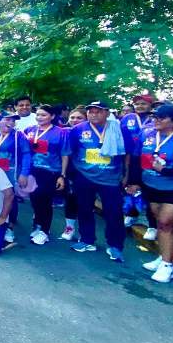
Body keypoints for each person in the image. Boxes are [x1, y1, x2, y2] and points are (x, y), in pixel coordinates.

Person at [127, 104, 173, 283]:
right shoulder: (146, 135)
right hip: (152, 187)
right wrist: (134, 182)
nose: (156, 120)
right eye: (155, 117)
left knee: (165, 223)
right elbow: (136, 159)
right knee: (158, 222)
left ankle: (168, 266)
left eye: (161, 118)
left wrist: (167, 169)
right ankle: (163, 258)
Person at [68, 101, 131, 261]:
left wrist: (127, 174)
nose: (94, 114)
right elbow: (71, 152)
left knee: (114, 212)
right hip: (84, 176)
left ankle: (115, 246)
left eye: (98, 111)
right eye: (91, 111)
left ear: (107, 113)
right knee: (84, 209)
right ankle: (87, 240)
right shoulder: (77, 130)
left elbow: (127, 153)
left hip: (111, 178)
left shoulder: (118, 129)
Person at [0, 110, 31, 243]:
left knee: (10, 197)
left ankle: (10, 227)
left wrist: (24, 174)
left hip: (10, 171)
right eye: (7, 119)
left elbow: (26, 154)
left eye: (13, 121)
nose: (10, 123)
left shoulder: (19, 136)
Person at [23, 105, 70, 246]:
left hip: (51, 171)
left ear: (52, 116)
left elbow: (65, 155)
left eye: (43, 115)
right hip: (32, 170)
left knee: (45, 200)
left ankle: (45, 231)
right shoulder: (30, 130)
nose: (39, 117)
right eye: (38, 114)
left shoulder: (61, 133)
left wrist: (62, 175)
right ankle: (37, 225)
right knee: (34, 198)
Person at [120, 93, 157, 238]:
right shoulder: (127, 118)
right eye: (137, 104)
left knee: (148, 190)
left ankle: (152, 225)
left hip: (151, 158)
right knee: (131, 186)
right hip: (132, 157)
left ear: (150, 105)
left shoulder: (155, 118)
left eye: (143, 103)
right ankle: (131, 214)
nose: (140, 106)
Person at [60, 107, 87, 240]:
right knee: (70, 199)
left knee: (84, 202)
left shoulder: (91, 133)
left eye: (79, 118)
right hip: (69, 171)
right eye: (72, 117)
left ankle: (85, 233)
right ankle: (69, 228)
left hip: (87, 172)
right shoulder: (63, 132)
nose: (75, 120)